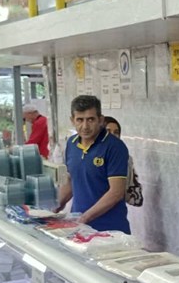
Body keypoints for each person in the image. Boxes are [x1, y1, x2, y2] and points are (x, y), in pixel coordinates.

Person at [54, 95, 130, 233]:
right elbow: (71, 181)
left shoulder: (115, 147)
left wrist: (84, 218)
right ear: (72, 120)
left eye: (90, 119)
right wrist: (55, 206)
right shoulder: (71, 144)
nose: (85, 126)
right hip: (79, 226)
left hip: (109, 230)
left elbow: (116, 192)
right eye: (80, 120)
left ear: (100, 120)